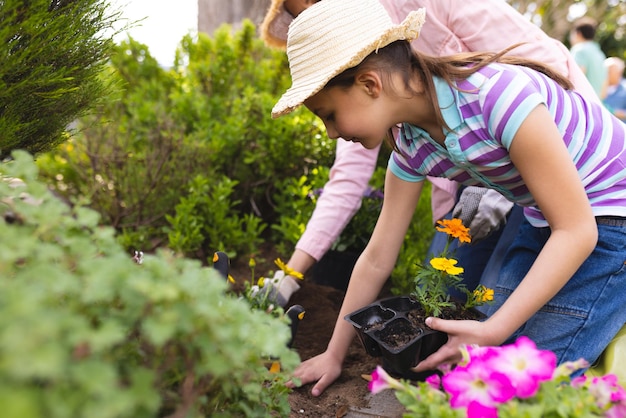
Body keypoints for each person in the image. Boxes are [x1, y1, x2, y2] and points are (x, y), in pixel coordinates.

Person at [271, 0, 626, 397]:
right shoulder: (410, 144)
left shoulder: (497, 97)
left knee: (523, 381)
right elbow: (376, 257)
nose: (331, 133)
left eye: (329, 115)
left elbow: (577, 230)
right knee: (479, 360)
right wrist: (333, 354)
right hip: (543, 218)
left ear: (370, 84)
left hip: (612, 217)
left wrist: (494, 328)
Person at [257, 0, 598, 307]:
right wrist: (290, 274)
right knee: (441, 300)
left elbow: (540, 66)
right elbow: (349, 176)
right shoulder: (387, 128)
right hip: (472, 176)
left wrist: (505, 173)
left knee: (504, 308)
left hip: (547, 147)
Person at [569, 17, 607, 99]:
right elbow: (604, 91)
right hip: (596, 105)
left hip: (582, 103)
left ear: (578, 34)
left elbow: (575, 79)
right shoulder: (600, 54)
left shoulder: (579, 50)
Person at [604, 57, 626, 121]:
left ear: (619, 72)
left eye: (610, 71)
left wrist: (615, 112)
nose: (607, 73)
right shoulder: (599, 87)